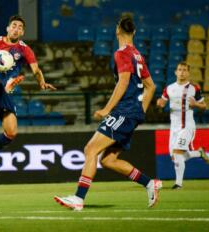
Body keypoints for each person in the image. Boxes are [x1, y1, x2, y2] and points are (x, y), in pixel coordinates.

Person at [54, 15, 161, 211]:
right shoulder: (137, 55)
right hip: (132, 112)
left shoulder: (121, 54)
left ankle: (78, 199)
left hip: (124, 111)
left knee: (90, 149)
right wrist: (141, 111)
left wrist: (107, 109)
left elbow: (123, 82)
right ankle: (149, 183)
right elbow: (151, 87)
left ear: (117, 30)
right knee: (108, 159)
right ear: (134, 32)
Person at [0, 15, 56, 174]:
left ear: (22, 32)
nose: (16, 29)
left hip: (2, 92)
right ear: (7, 28)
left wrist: (41, 82)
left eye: (20, 27)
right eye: (14, 25)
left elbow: (35, 70)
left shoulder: (25, 49)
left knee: (12, 132)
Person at [156, 61, 209, 189]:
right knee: (175, 157)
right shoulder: (169, 88)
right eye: (180, 69)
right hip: (174, 127)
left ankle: (178, 184)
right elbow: (162, 102)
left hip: (187, 126)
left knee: (177, 152)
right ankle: (199, 153)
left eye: (185, 70)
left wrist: (196, 105)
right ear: (175, 72)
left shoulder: (194, 88)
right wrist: (159, 103)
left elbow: (204, 106)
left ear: (188, 73)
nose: (182, 72)